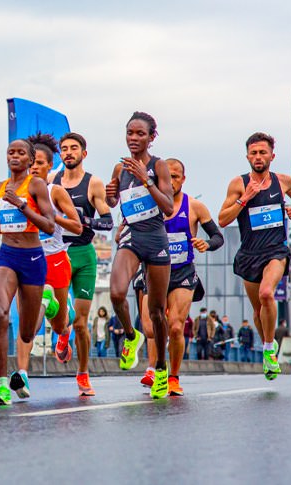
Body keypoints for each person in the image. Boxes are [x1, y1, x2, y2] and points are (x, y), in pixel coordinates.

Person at [219, 132, 291, 381]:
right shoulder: (238, 184)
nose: (258, 157)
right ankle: (268, 344)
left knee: (267, 293)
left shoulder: (283, 182)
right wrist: (244, 199)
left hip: (275, 252)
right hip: (249, 253)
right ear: (247, 156)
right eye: (254, 153)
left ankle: (269, 350)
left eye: (263, 152)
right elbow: (223, 219)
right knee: (258, 312)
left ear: (272, 156)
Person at [106, 111, 174, 399]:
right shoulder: (120, 169)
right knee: (117, 294)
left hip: (155, 237)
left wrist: (146, 181)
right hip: (132, 237)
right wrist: (111, 195)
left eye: (140, 134)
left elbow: (168, 206)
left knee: (157, 312)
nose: (133, 139)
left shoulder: (160, 167)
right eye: (129, 133)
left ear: (151, 137)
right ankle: (131, 337)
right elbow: (113, 201)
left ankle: (160, 369)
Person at [11, 133, 82, 398]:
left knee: (59, 322)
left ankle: (64, 322)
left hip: (56, 260)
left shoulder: (55, 192)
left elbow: (77, 226)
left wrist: (54, 217)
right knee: (26, 321)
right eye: (31, 162)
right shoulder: (18, 191)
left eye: (39, 163)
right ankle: (22, 375)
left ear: (50, 166)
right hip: (28, 258)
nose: (33, 168)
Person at [0, 139, 55, 405]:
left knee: (26, 333)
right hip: (7, 256)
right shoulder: (0, 187)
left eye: (20, 153)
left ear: (30, 159)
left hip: (33, 257)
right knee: (1, 313)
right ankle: (3, 385)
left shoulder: (36, 185)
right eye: (10, 152)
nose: (14, 156)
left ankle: (46, 301)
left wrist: (22, 206)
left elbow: (49, 225)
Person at [53, 132, 113, 395]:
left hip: (85, 255)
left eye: (73, 148)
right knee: (59, 313)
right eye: (64, 149)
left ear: (83, 154)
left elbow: (108, 222)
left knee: (81, 322)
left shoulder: (93, 184)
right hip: (58, 253)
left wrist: (83, 223)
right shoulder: (51, 182)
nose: (68, 153)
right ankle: (62, 333)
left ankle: (83, 373)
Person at [160, 158, 224, 394]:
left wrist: (206, 244)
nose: (171, 181)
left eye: (175, 176)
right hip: (155, 272)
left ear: (183, 179)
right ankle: (154, 370)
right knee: (153, 327)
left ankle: (173, 377)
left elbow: (218, 237)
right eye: (167, 176)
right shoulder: (151, 205)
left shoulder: (195, 207)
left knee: (176, 327)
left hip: (183, 273)